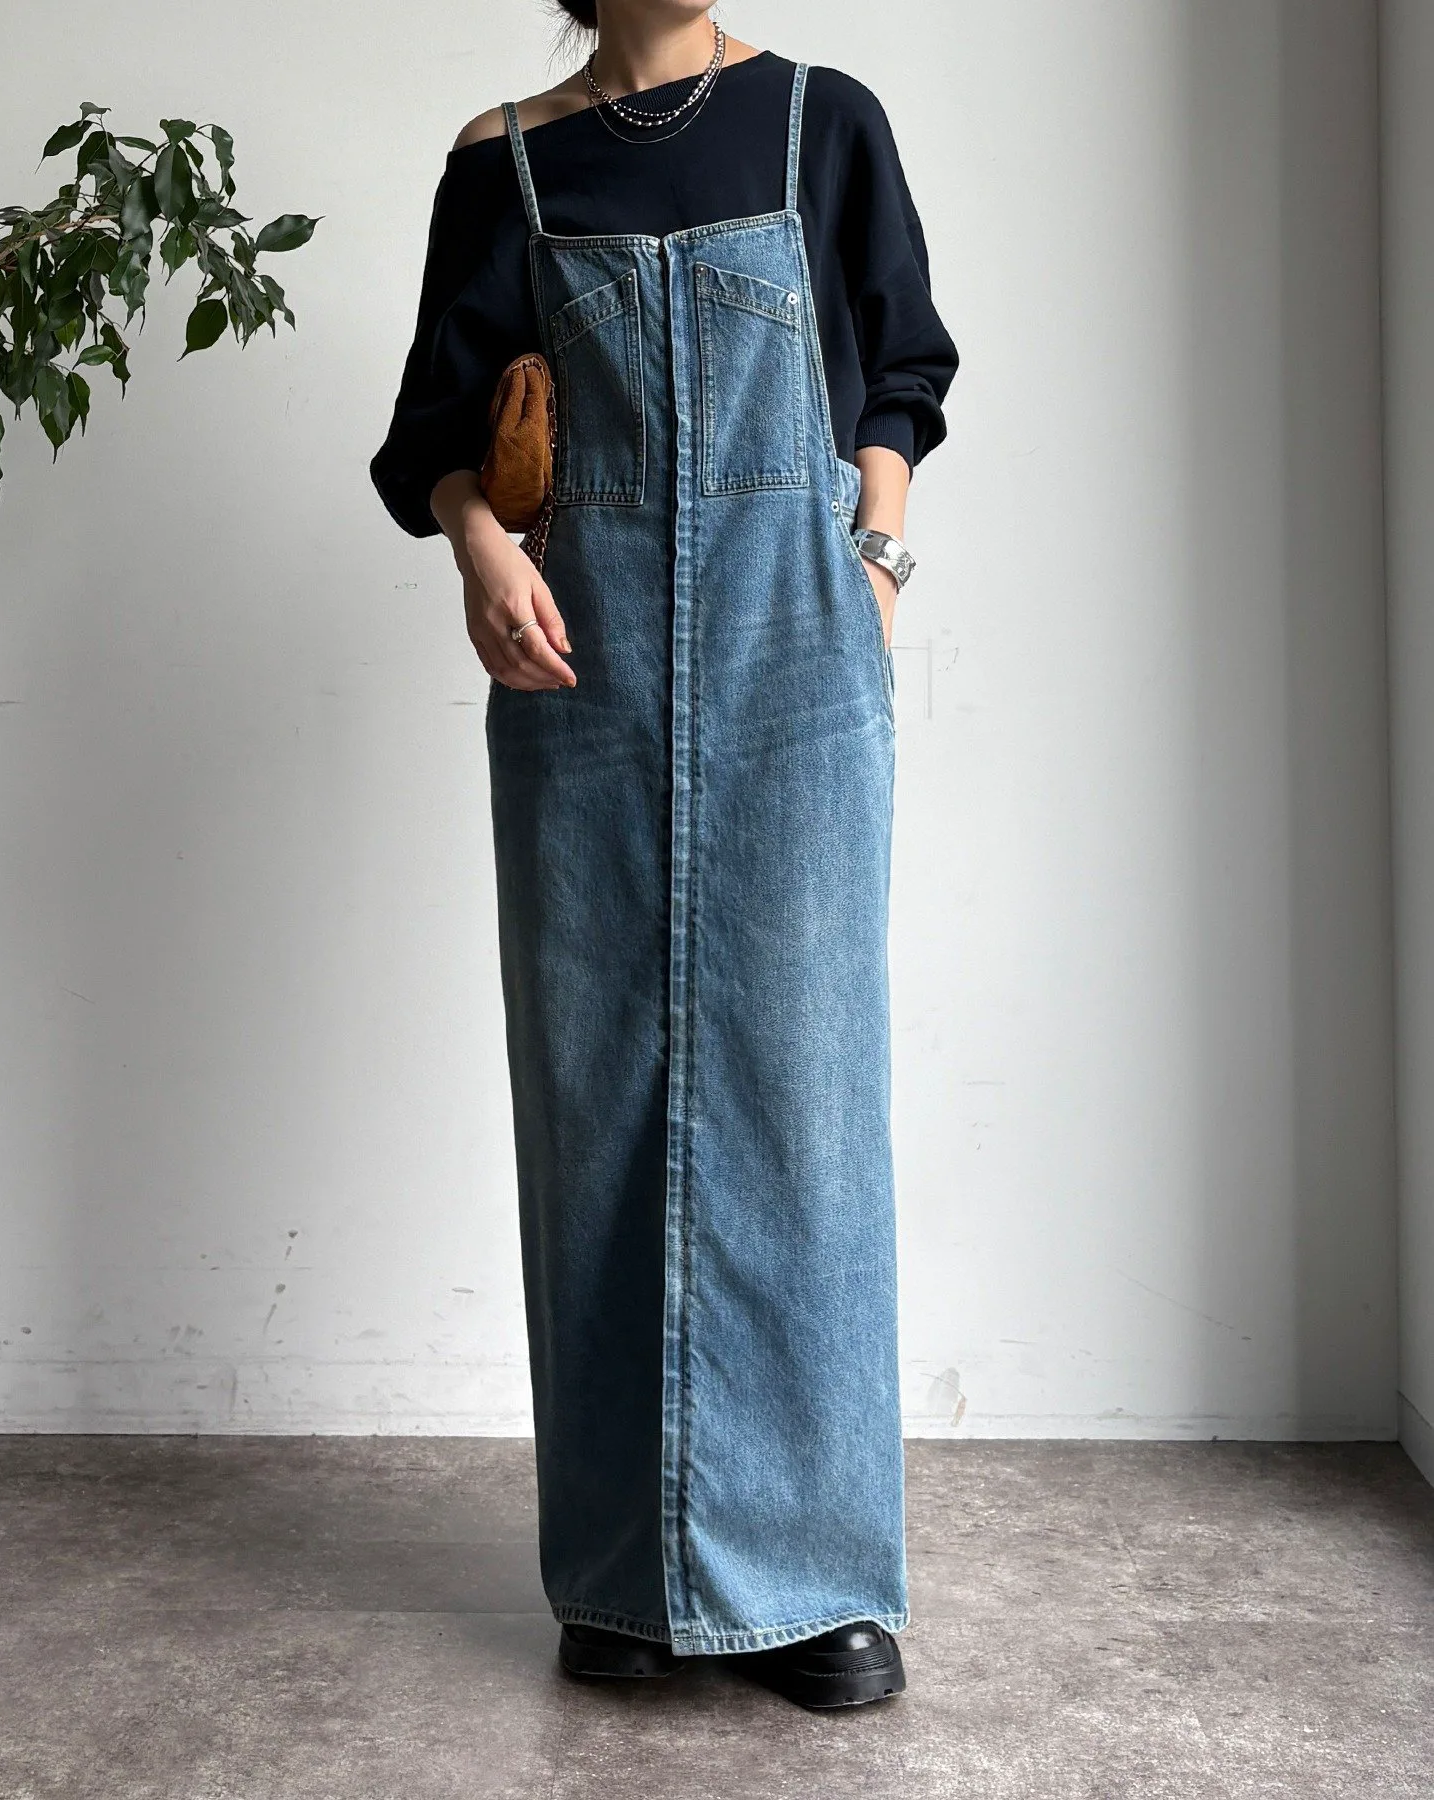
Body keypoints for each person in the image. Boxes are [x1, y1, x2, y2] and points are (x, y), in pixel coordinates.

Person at [369, 0, 958, 1711]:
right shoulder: (504, 162)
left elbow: (901, 365)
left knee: (806, 1105)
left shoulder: (822, 120)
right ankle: (623, 1578)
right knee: (597, 1103)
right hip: (588, 668)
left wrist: (875, 562)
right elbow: (438, 428)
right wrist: (480, 549)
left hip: (795, 660)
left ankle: (818, 1586)